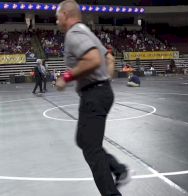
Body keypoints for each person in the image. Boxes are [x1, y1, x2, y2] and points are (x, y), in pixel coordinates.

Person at [55, 1, 131, 195]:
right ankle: (118, 168)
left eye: (58, 16)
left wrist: (67, 77)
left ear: (65, 14)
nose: (56, 20)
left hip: (94, 94)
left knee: (91, 149)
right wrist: (105, 82)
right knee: (83, 140)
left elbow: (94, 60)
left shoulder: (74, 34)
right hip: (100, 92)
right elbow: (109, 59)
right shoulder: (86, 31)